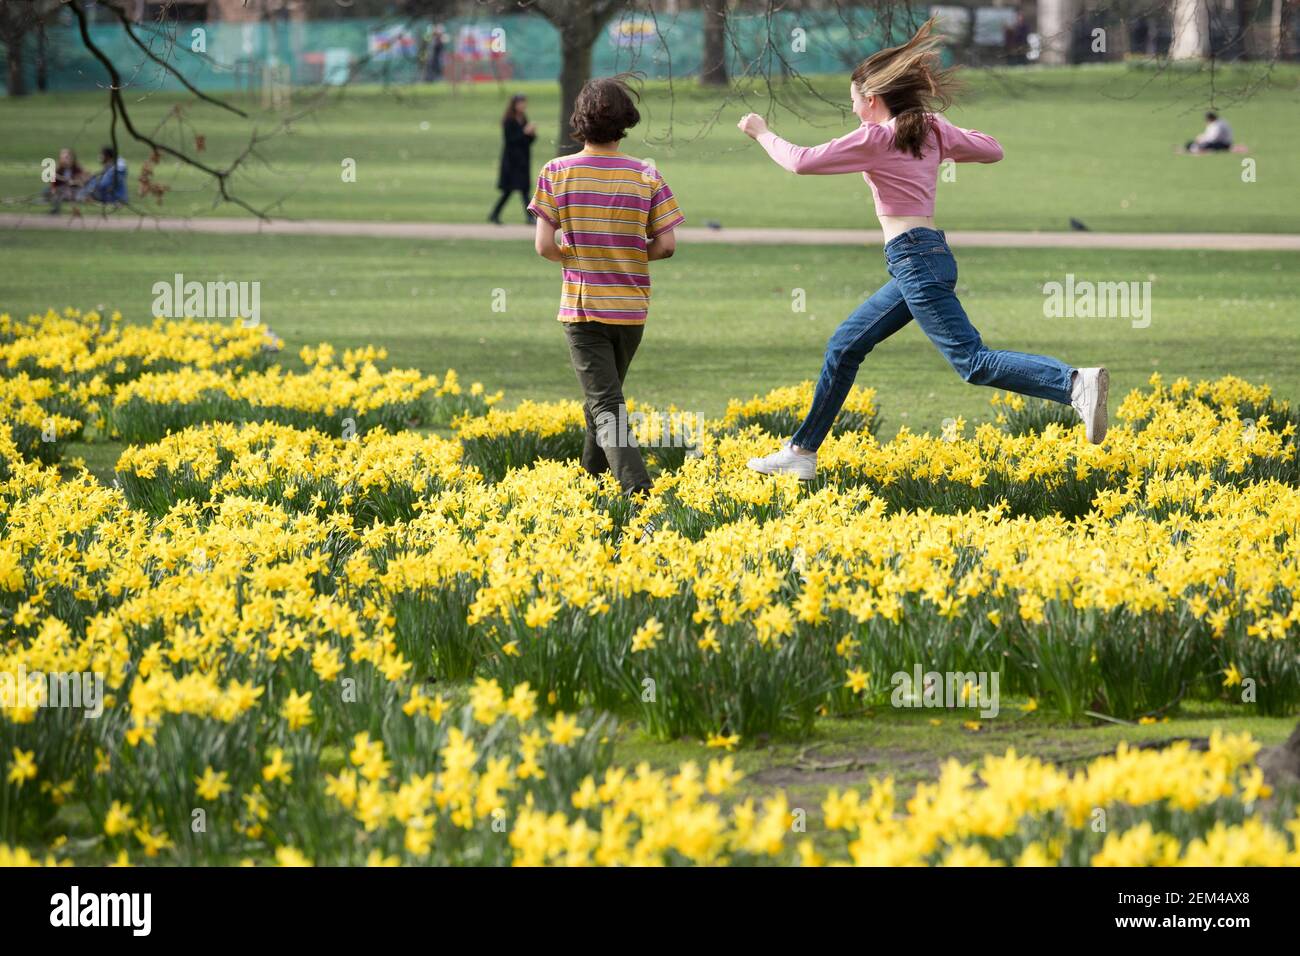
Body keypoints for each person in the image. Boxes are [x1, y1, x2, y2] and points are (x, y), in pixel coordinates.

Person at [738, 18, 1109, 481]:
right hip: (924, 258)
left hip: (915, 261)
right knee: (844, 346)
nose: (853, 110)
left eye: (854, 101)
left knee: (972, 362)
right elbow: (993, 150)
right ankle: (802, 450)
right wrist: (944, 131)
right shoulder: (929, 129)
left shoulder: (875, 137)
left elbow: (799, 162)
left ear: (871, 100)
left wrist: (760, 132)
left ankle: (1074, 383)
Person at [528, 76, 685, 500]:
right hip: (631, 310)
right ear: (625, 121)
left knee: (605, 404)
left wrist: (580, 255)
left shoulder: (556, 172)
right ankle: (590, 485)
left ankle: (639, 495)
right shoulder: (646, 175)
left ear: (579, 121)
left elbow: (544, 245)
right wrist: (626, 252)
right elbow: (667, 245)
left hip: (583, 309)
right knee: (601, 400)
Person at [489, 94, 537, 224]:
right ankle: (496, 214)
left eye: (524, 103)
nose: (523, 105)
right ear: (514, 105)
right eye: (521, 103)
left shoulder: (524, 119)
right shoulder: (509, 120)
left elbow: (527, 141)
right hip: (511, 161)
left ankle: (527, 217)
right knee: (510, 190)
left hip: (523, 160)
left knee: (524, 189)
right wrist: (524, 132)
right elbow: (510, 140)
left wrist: (532, 134)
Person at [43, 148, 85, 214]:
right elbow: (53, 182)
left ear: (72, 158)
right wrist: (54, 188)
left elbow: (81, 181)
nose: (65, 160)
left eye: (67, 157)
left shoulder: (77, 169)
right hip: (61, 190)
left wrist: (74, 182)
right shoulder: (59, 169)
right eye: (63, 158)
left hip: (73, 190)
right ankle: (55, 206)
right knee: (47, 191)